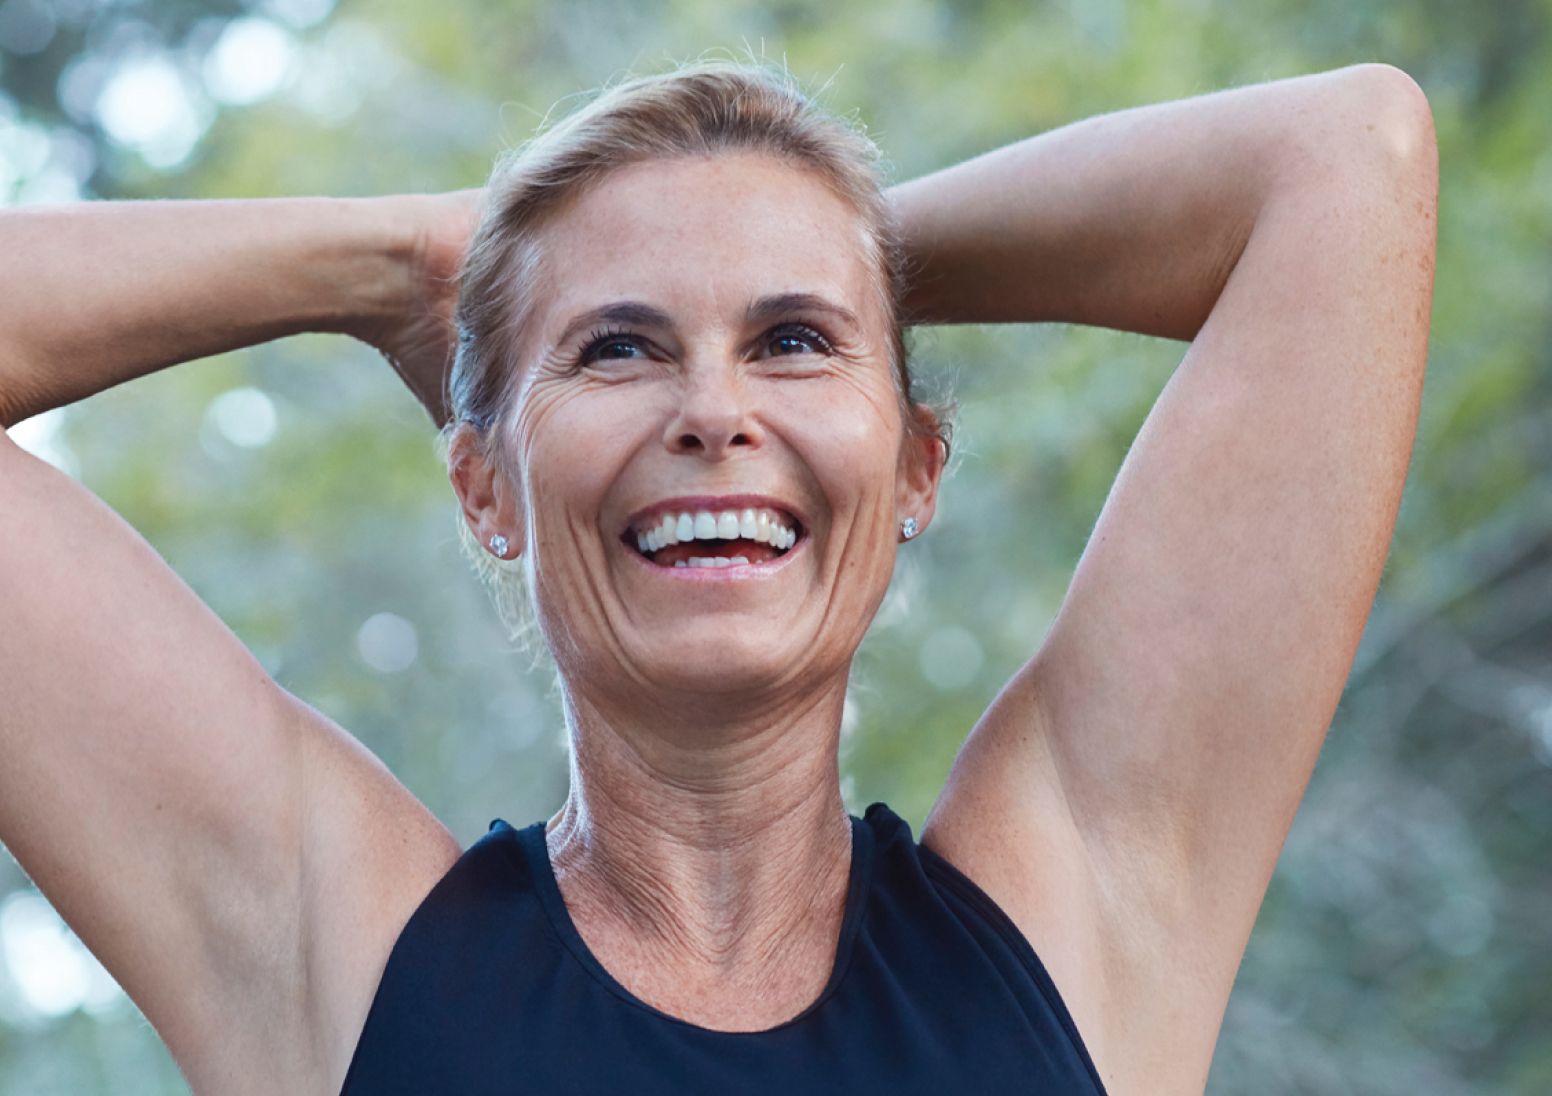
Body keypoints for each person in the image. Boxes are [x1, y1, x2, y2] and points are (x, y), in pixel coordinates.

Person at [0, 56, 1436, 1096]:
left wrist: (822, 241)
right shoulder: (335, 953)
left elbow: (1347, 154)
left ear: (916, 466)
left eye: (796, 342)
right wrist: (413, 261)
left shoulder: (1089, 909)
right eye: (616, 347)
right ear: (484, 485)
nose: (714, 413)